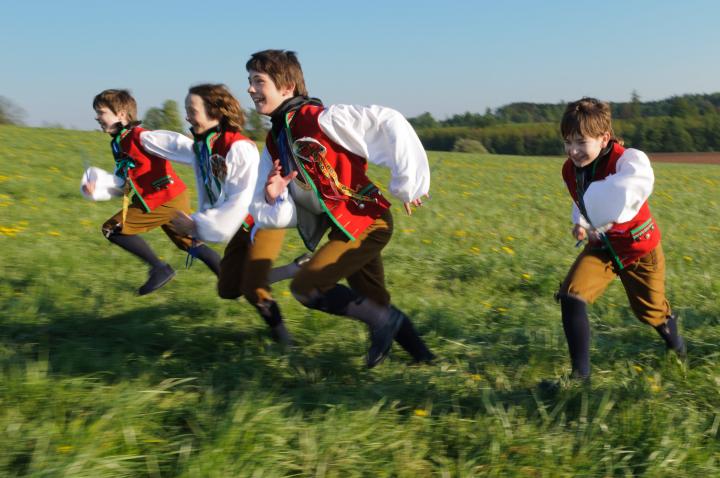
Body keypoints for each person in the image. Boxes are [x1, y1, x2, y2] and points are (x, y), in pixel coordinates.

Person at [246, 49, 435, 368]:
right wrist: (273, 193)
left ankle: (386, 324)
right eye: (249, 81)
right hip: (346, 227)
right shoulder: (274, 137)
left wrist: (409, 182)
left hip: (368, 222)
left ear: (287, 86)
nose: (250, 89)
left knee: (307, 287)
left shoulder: (319, 118)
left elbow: (387, 121)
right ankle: (426, 361)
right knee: (374, 302)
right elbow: (274, 206)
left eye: (258, 81)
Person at [138, 83, 299, 344]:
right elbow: (175, 148)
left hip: (263, 219)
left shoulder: (239, 147)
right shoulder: (203, 147)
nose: (187, 116)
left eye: (192, 110)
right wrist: (132, 134)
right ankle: (296, 267)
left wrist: (199, 225)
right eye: (186, 110)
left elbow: (243, 199)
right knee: (228, 289)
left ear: (216, 111)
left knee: (252, 288)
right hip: (237, 227)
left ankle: (286, 342)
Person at [556, 97, 685, 380]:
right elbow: (582, 200)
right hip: (602, 247)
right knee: (571, 295)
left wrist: (605, 207)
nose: (573, 150)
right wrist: (581, 224)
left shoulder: (627, 160)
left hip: (639, 249)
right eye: (568, 142)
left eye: (581, 142)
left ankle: (675, 344)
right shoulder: (570, 169)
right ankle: (580, 377)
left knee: (650, 312)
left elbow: (635, 184)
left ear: (604, 138)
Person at [83, 89, 220, 295]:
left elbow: (176, 143)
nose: (97, 117)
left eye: (101, 112)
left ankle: (159, 268)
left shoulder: (141, 136)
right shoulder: (119, 143)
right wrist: (98, 188)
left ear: (121, 114)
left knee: (112, 229)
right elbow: (123, 183)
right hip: (172, 195)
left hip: (162, 198)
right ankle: (231, 277)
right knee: (189, 243)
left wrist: (208, 157)